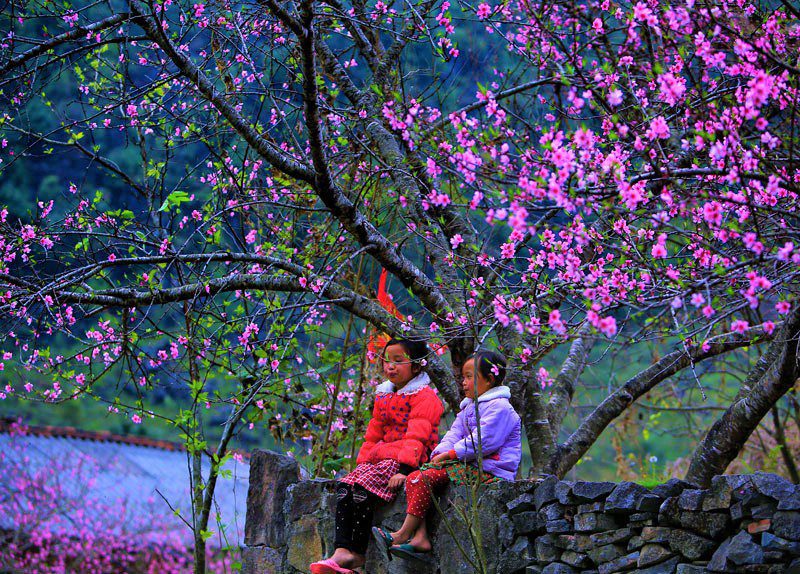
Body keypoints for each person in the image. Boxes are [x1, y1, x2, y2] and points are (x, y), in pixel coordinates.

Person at [310, 337, 444, 574]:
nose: (390, 366)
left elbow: (418, 436)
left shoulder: (425, 397)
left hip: (410, 457)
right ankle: (341, 549)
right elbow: (374, 433)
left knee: (363, 487)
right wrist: (362, 463)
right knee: (346, 484)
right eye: (387, 361)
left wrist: (404, 470)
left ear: (416, 366)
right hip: (383, 457)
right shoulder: (384, 395)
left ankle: (357, 553)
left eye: (398, 361)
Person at [371, 350, 521, 563]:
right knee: (417, 476)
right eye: (463, 377)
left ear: (489, 380)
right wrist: (440, 453)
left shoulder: (501, 407)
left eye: (470, 377)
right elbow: (454, 433)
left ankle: (401, 534)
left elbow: (484, 441)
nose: (464, 383)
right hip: (469, 464)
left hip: (491, 469)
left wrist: (451, 454)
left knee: (424, 477)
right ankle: (419, 537)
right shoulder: (469, 407)